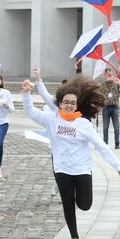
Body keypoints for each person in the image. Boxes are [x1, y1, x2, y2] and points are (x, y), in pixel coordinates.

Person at [22, 76, 120, 239]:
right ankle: (74, 238)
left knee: (85, 205)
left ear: (77, 105)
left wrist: (118, 166)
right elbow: (31, 112)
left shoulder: (83, 124)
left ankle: (80, 201)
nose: (69, 105)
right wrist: (26, 93)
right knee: (67, 204)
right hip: (62, 169)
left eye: (72, 103)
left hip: (82, 169)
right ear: (60, 103)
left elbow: (101, 146)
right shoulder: (51, 119)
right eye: (65, 102)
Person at [33, 68, 66, 197]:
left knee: (68, 171)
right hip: (56, 145)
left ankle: (66, 189)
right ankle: (58, 184)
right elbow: (44, 93)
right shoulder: (56, 107)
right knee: (56, 169)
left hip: (70, 147)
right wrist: (38, 77)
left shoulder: (76, 107)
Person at [100, 67, 120, 149]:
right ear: (105, 75)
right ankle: (105, 143)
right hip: (106, 108)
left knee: (117, 127)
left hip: (115, 107)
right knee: (105, 127)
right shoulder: (102, 85)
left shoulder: (116, 84)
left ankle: (117, 143)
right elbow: (99, 95)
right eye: (108, 74)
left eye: (111, 74)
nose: (110, 75)